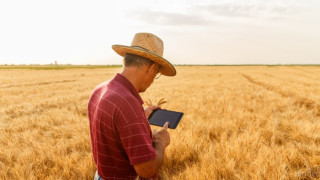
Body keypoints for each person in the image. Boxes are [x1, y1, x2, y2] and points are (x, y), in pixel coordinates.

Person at [87, 32, 177, 179]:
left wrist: (140, 116)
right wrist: (160, 142)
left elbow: (115, 130)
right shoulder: (127, 103)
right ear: (151, 68)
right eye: (157, 74)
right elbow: (146, 170)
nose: (154, 79)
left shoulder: (100, 89)